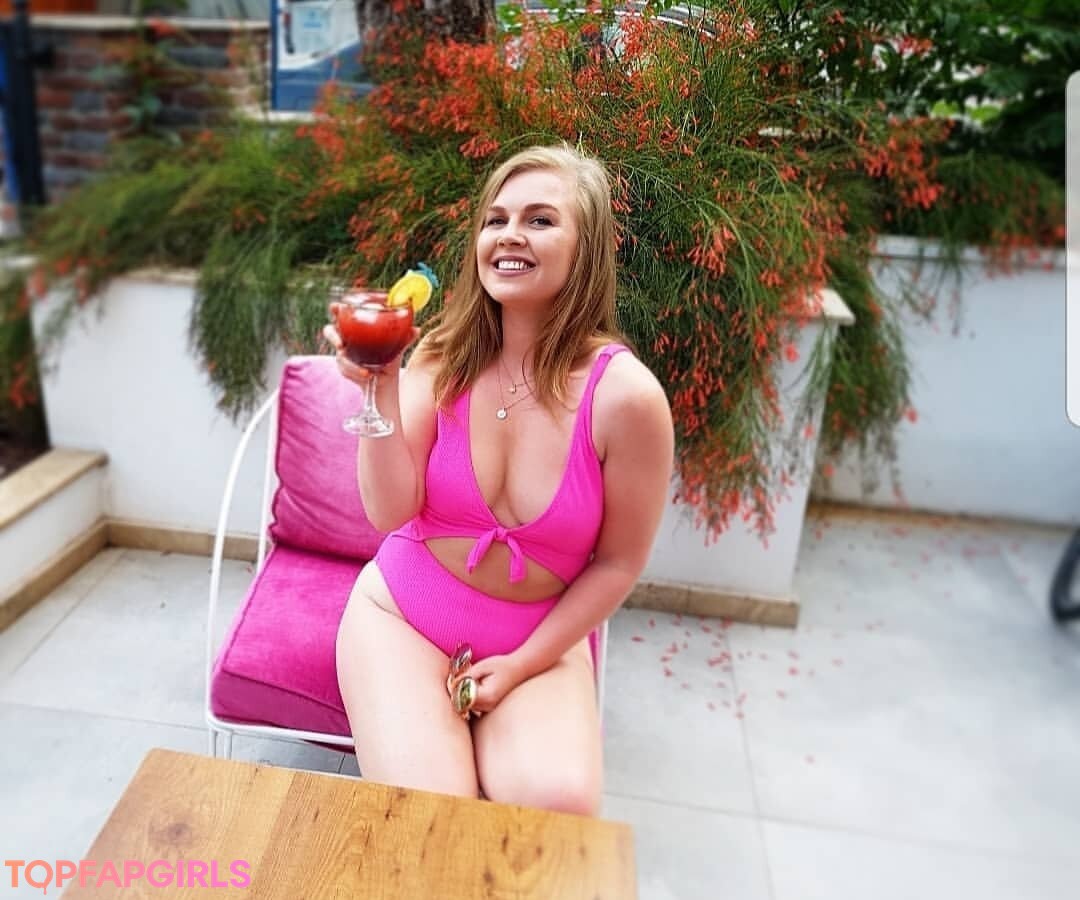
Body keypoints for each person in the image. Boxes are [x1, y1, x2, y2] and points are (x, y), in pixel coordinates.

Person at [326, 144, 674, 816]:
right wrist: (382, 386)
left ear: (586, 249)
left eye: (540, 220)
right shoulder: (440, 358)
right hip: (404, 616)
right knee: (431, 816)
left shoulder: (626, 399)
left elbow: (618, 564)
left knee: (556, 808)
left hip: (534, 639)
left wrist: (521, 666)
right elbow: (388, 511)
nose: (510, 234)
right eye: (496, 219)